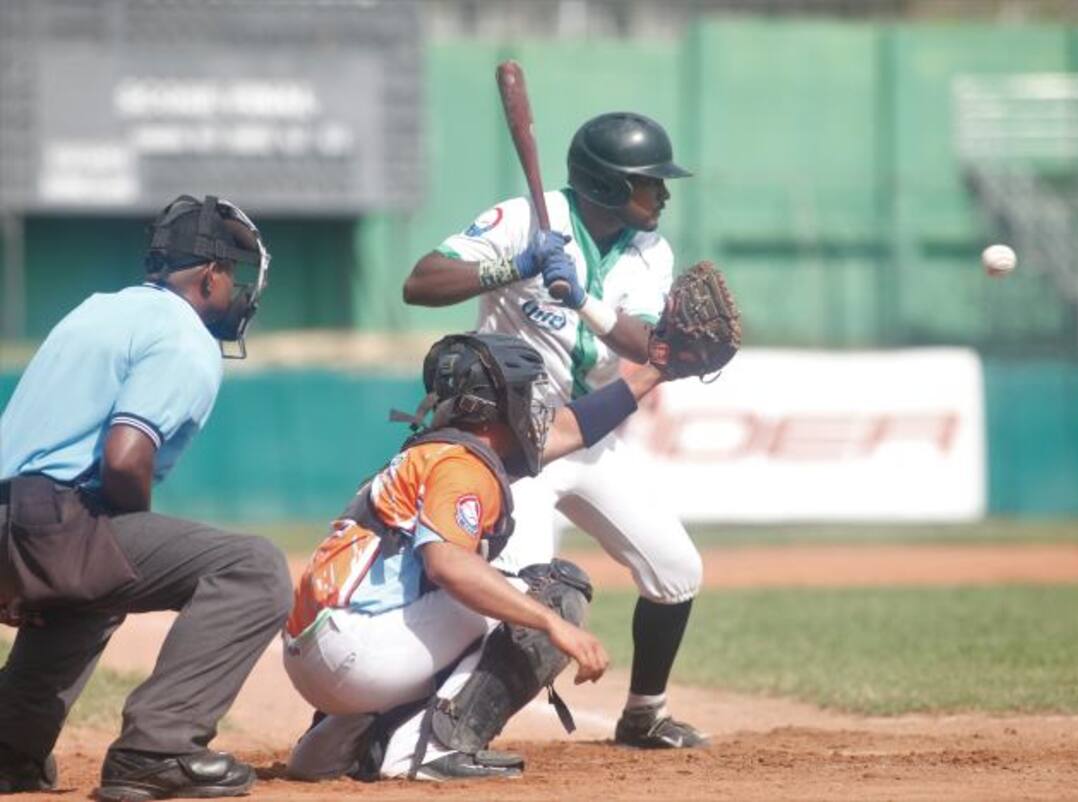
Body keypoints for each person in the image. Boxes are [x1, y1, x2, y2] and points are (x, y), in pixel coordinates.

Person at [402, 111, 706, 748]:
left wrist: (582, 300)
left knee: (677, 569)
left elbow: (646, 342)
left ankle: (644, 714)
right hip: (509, 445)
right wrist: (511, 267)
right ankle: (435, 731)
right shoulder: (522, 219)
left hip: (588, 434)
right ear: (605, 186)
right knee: (526, 597)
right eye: (649, 182)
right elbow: (420, 282)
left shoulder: (651, 246)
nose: (663, 194)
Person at [283, 332, 677, 781]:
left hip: (314, 654)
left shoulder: (436, 450)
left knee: (478, 590)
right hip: (357, 653)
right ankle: (431, 748)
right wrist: (551, 623)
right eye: (525, 393)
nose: (532, 406)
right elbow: (447, 563)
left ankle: (332, 745)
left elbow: (570, 428)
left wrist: (656, 373)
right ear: (497, 405)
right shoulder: (463, 466)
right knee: (550, 593)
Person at [0, 195, 292, 800]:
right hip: (51, 520)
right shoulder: (184, 334)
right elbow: (126, 455)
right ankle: (157, 749)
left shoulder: (95, 310)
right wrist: (112, 541)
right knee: (254, 567)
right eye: (232, 275)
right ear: (209, 275)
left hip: (14, 519)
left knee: (92, 592)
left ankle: (8, 749)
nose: (235, 291)